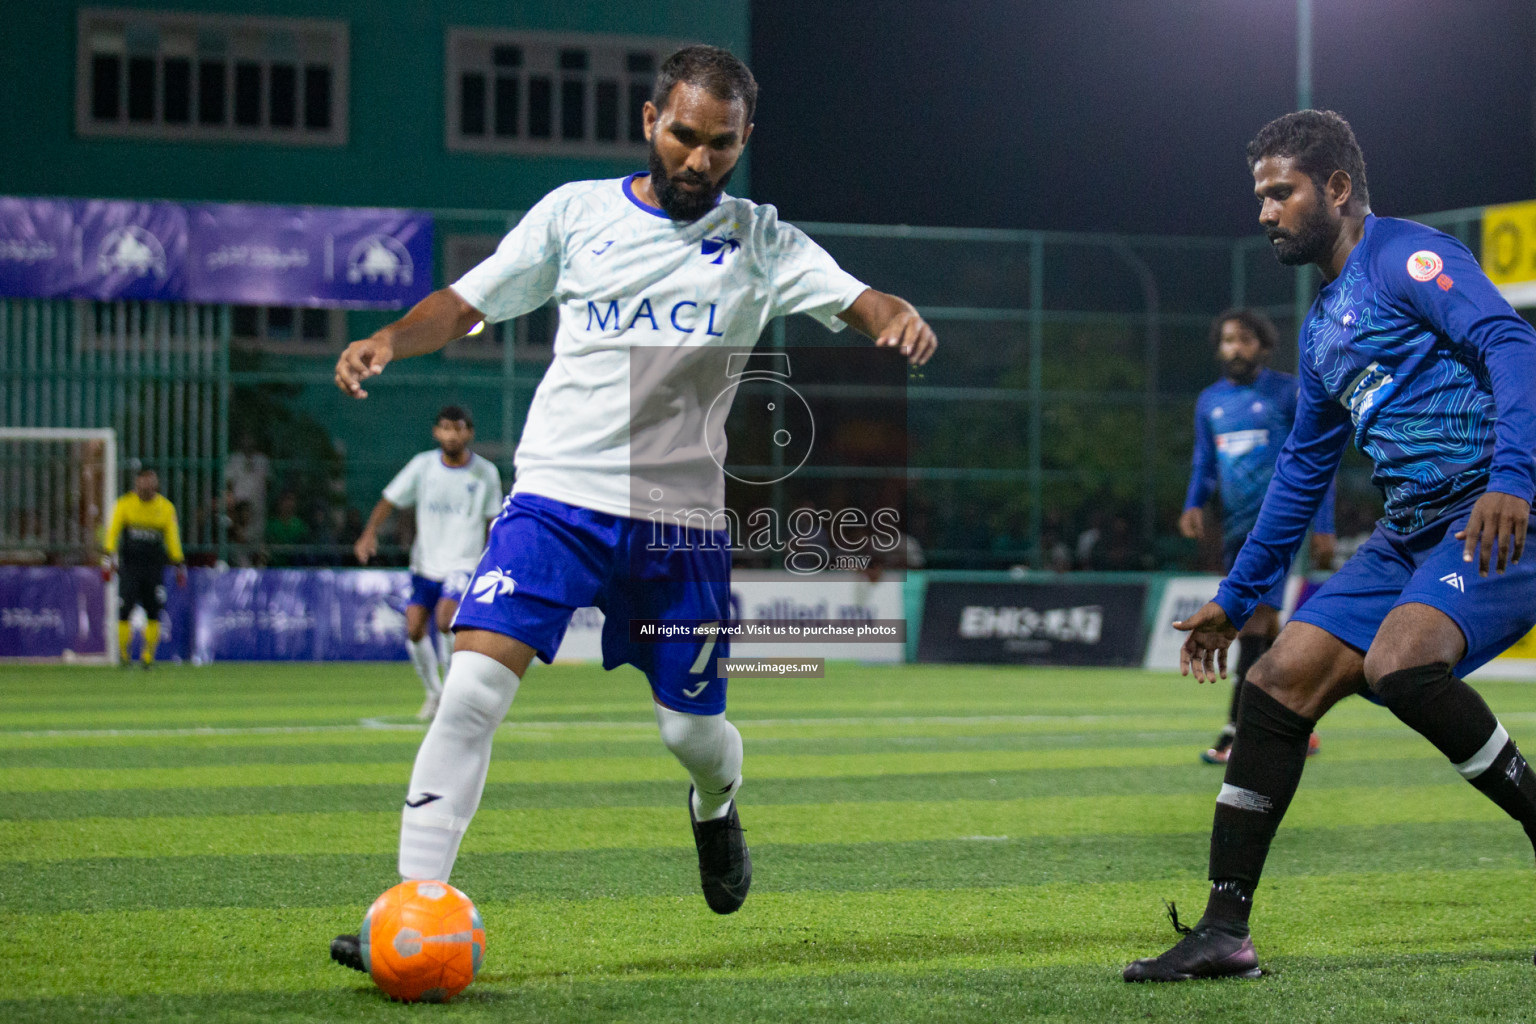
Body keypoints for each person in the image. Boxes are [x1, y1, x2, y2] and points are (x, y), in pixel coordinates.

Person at [326, 44, 936, 972]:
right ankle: (416, 907)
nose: (699, 160)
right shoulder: (575, 215)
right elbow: (466, 301)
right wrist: (387, 340)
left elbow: (860, 296)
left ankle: (716, 806)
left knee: (690, 734)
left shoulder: (762, 240)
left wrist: (895, 315)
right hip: (556, 502)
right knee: (473, 689)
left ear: (744, 142)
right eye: (684, 136)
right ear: (650, 121)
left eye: (720, 146)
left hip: (679, 525)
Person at [1125, 110, 1536, 982]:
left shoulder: (1408, 258)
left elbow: (1510, 340)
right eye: (1261, 196)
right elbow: (1300, 475)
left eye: (1283, 192)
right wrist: (1236, 601)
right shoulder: (1320, 330)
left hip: (1494, 511)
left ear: (1337, 189)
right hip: (1408, 532)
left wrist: (1514, 477)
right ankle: (1224, 932)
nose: (1266, 211)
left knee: (1401, 664)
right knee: (1274, 688)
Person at [1182, 308, 1336, 764]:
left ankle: (1237, 734)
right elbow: (1204, 462)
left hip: (1278, 525)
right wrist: (1193, 502)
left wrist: (1323, 526)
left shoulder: (1287, 392)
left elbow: (1316, 459)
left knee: (1252, 623)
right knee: (1264, 628)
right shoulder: (1209, 402)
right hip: (1235, 529)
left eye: (1245, 339)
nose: (1236, 348)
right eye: (1228, 340)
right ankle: (1295, 727)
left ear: (1264, 346)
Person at [354, 406, 503, 720]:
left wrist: (494, 560)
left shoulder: (485, 472)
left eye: (459, 428)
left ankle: (453, 692)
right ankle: (434, 693)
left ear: (469, 433)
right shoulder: (423, 466)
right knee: (414, 628)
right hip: (426, 563)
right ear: (437, 432)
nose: (452, 434)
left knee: (445, 619)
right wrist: (369, 533)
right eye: (446, 428)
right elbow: (389, 499)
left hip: (464, 561)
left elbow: (493, 520)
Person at [103, 467, 186, 668]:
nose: (147, 485)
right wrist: (108, 557)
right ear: (137, 482)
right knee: (125, 609)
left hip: (153, 568)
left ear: (156, 483)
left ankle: (147, 658)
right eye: (143, 480)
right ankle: (124, 655)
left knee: (154, 611)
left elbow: (172, 538)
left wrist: (179, 563)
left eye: (151, 480)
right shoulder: (125, 504)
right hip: (130, 567)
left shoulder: (166, 508)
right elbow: (113, 532)